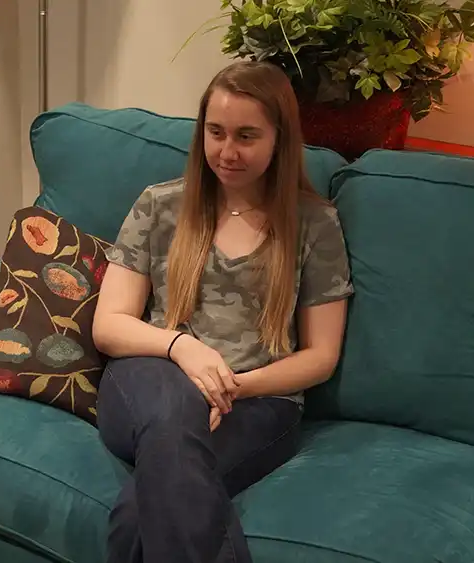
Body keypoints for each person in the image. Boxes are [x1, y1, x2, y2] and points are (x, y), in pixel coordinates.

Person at [92, 60, 354, 563]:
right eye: (215, 132)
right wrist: (183, 348)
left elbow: (321, 356)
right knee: (171, 418)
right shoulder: (160, 205)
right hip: (151, 375)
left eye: (246, 136)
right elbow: (109, 325)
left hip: (259, 402)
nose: (227, 152)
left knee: (138, 513)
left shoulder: (314, 224)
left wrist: (234, 386)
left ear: (280, 139)